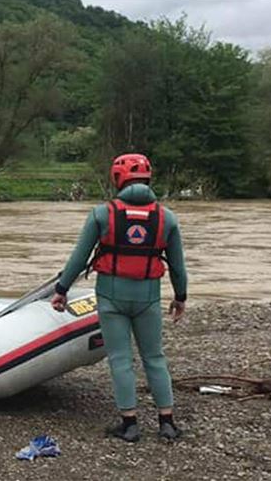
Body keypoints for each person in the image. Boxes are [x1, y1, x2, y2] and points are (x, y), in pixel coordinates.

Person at [50, 153, 188, 442]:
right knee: (154, 357)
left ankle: (130, 424)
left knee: (121, 358)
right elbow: (177, 265)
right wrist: (180, 297)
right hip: (148, 297)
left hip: (111, 297)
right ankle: (167, 422)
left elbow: (79, 258)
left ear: (118, 179)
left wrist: (61, 290)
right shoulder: (167, 218)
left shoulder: (102, 214)